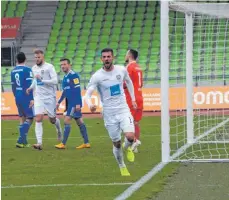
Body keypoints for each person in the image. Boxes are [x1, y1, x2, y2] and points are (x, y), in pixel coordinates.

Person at [85, 48, 137, 176]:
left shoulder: (121, 70)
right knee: (116, 143)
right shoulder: (97, 76)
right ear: (101, 59)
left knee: (130, 136)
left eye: (109, 56)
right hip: (109, 113)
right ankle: (122, 166)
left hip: (123, 109)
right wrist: (91, 104)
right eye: (104, 57)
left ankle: (128, 147)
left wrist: (133, 99)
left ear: (113, 58)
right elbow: (87, 94)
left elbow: (129, 82)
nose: (106, 59)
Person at [26, 49, 62, 150]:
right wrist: (31, 87)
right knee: (38, 118)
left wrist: (43, 80)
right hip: (38, 96)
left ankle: (59, 130)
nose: (37, 59)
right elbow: (35, 80)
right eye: (36, 57)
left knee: (52, 119)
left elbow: (55, 81)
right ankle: (39, 143)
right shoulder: (33, 68)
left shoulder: (49, 67)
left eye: (39, 57)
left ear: (43, 57)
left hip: (50, 96)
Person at [55, 58, 90, 149]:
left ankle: (63, 144)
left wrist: (78, 103)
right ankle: (86, 143)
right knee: (80, 121)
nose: (63, 66)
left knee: (66, 120)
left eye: (64, 64)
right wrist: (58, 102)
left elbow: (77, 90)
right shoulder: (65, 77)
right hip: (71, 103)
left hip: (74, 103)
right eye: (61, 65)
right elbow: (65, 92)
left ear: (69, 65)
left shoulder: (74, 75)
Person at [11, 52, 34, 148]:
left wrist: (15, 96)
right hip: (26, 95)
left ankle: (24, 142)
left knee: (22, 118)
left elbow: (13, 86)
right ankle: (20, 140)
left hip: (17, 95)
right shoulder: (28, 70)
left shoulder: (13, 71)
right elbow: (29, 85)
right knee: (30, 117)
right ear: (25, 59)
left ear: (17, 60)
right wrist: (32, 98)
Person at [124, 49, 143, 153]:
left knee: (126, 122)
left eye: (126, 54)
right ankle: (134, 146)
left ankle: (134, 141)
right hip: (140, 96)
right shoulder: (139, 67)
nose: (125, 56)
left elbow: (125, 83)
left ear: (130, 55)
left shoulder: (129, 67)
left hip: (132, 98)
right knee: (135, 122)